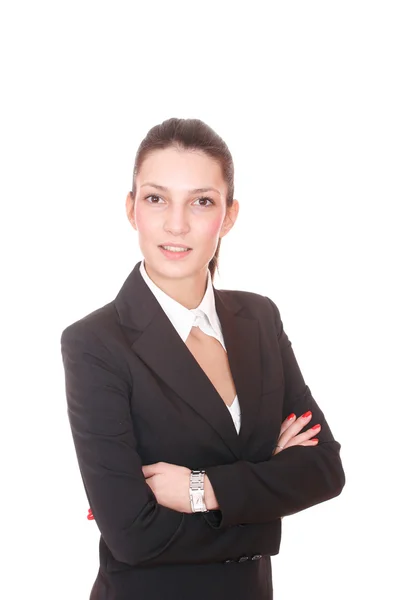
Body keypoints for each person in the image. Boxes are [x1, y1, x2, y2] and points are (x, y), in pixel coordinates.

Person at [60, 117, 345, 600]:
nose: (176, 223)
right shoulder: (95, 343)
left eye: (201, 201)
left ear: (229, 215)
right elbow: (133, 534)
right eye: (156, 198)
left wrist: (201, 490)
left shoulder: (259, 318)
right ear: (131, 209)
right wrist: (265, 497)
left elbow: (324, 470)